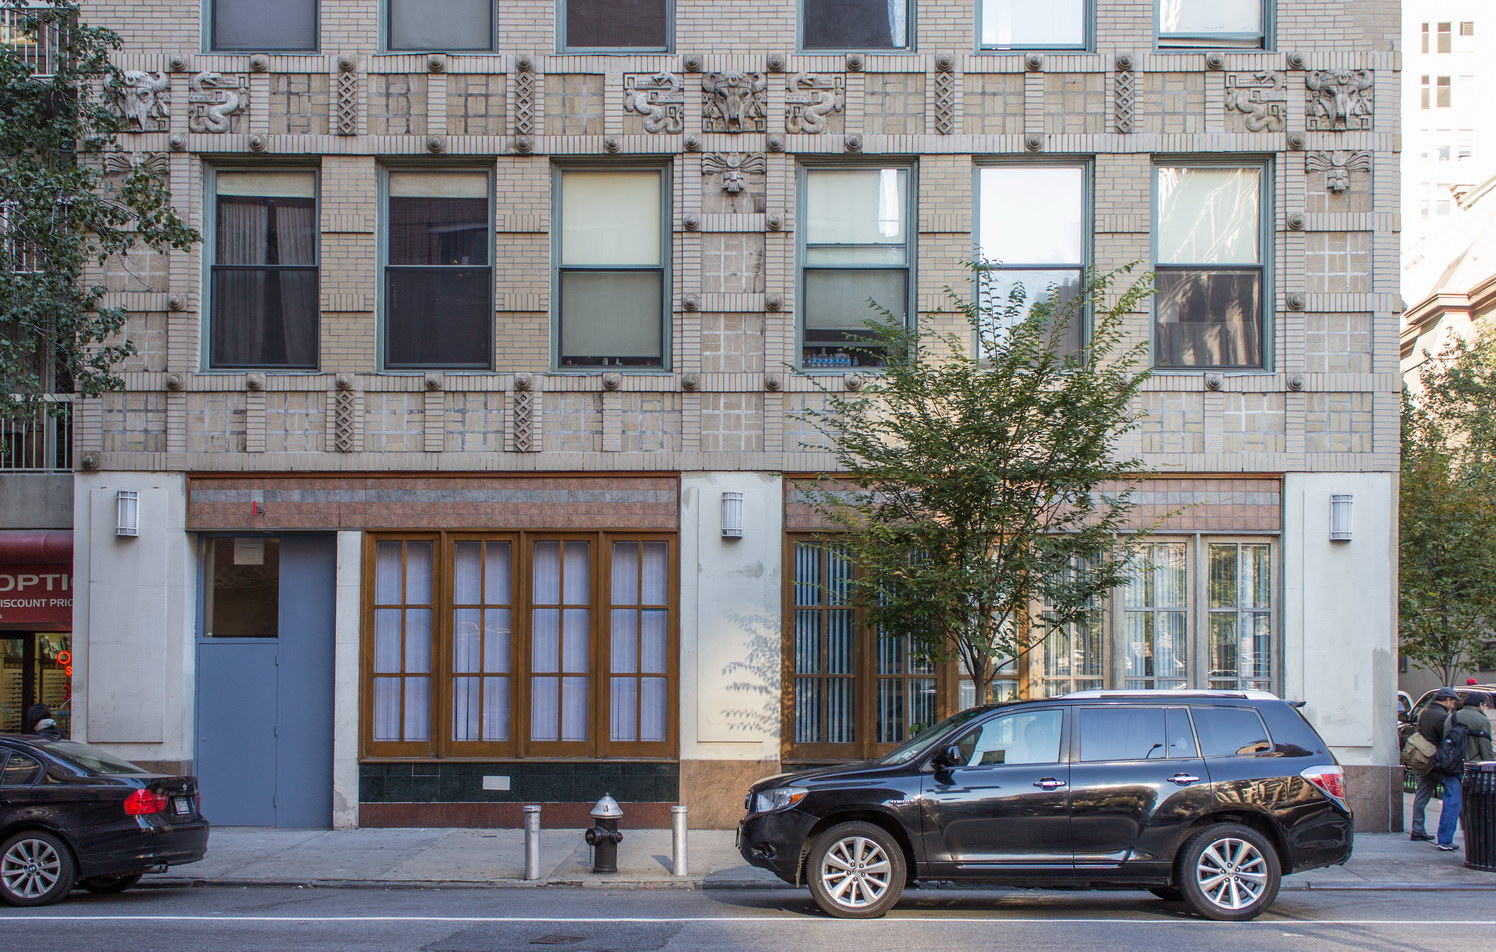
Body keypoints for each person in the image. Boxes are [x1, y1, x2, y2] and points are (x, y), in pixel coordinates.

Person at [1435, 691, 1496, 851]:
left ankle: (1444, 839)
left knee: (1451, 802)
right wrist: (1490, 766)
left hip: (1451, 766)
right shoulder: (1481, 719)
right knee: (1477, 804)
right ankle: (1476, 837)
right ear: (1480, 704)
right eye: (1485, 705)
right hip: (1472, 768)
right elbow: (1485, 747)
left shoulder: (1451, 717)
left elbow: (1446, 741)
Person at [1411, 688, 1461, 841]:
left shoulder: (1424, 712)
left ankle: (1417, 829)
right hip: (1438, 761)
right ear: (1447, 700)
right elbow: (1446, 738)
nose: (1453, 705)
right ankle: (1462, 826)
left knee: (1421, 795)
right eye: (1452, 702)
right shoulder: (1442, 716)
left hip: (1423, 758)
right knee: (1453, 795)